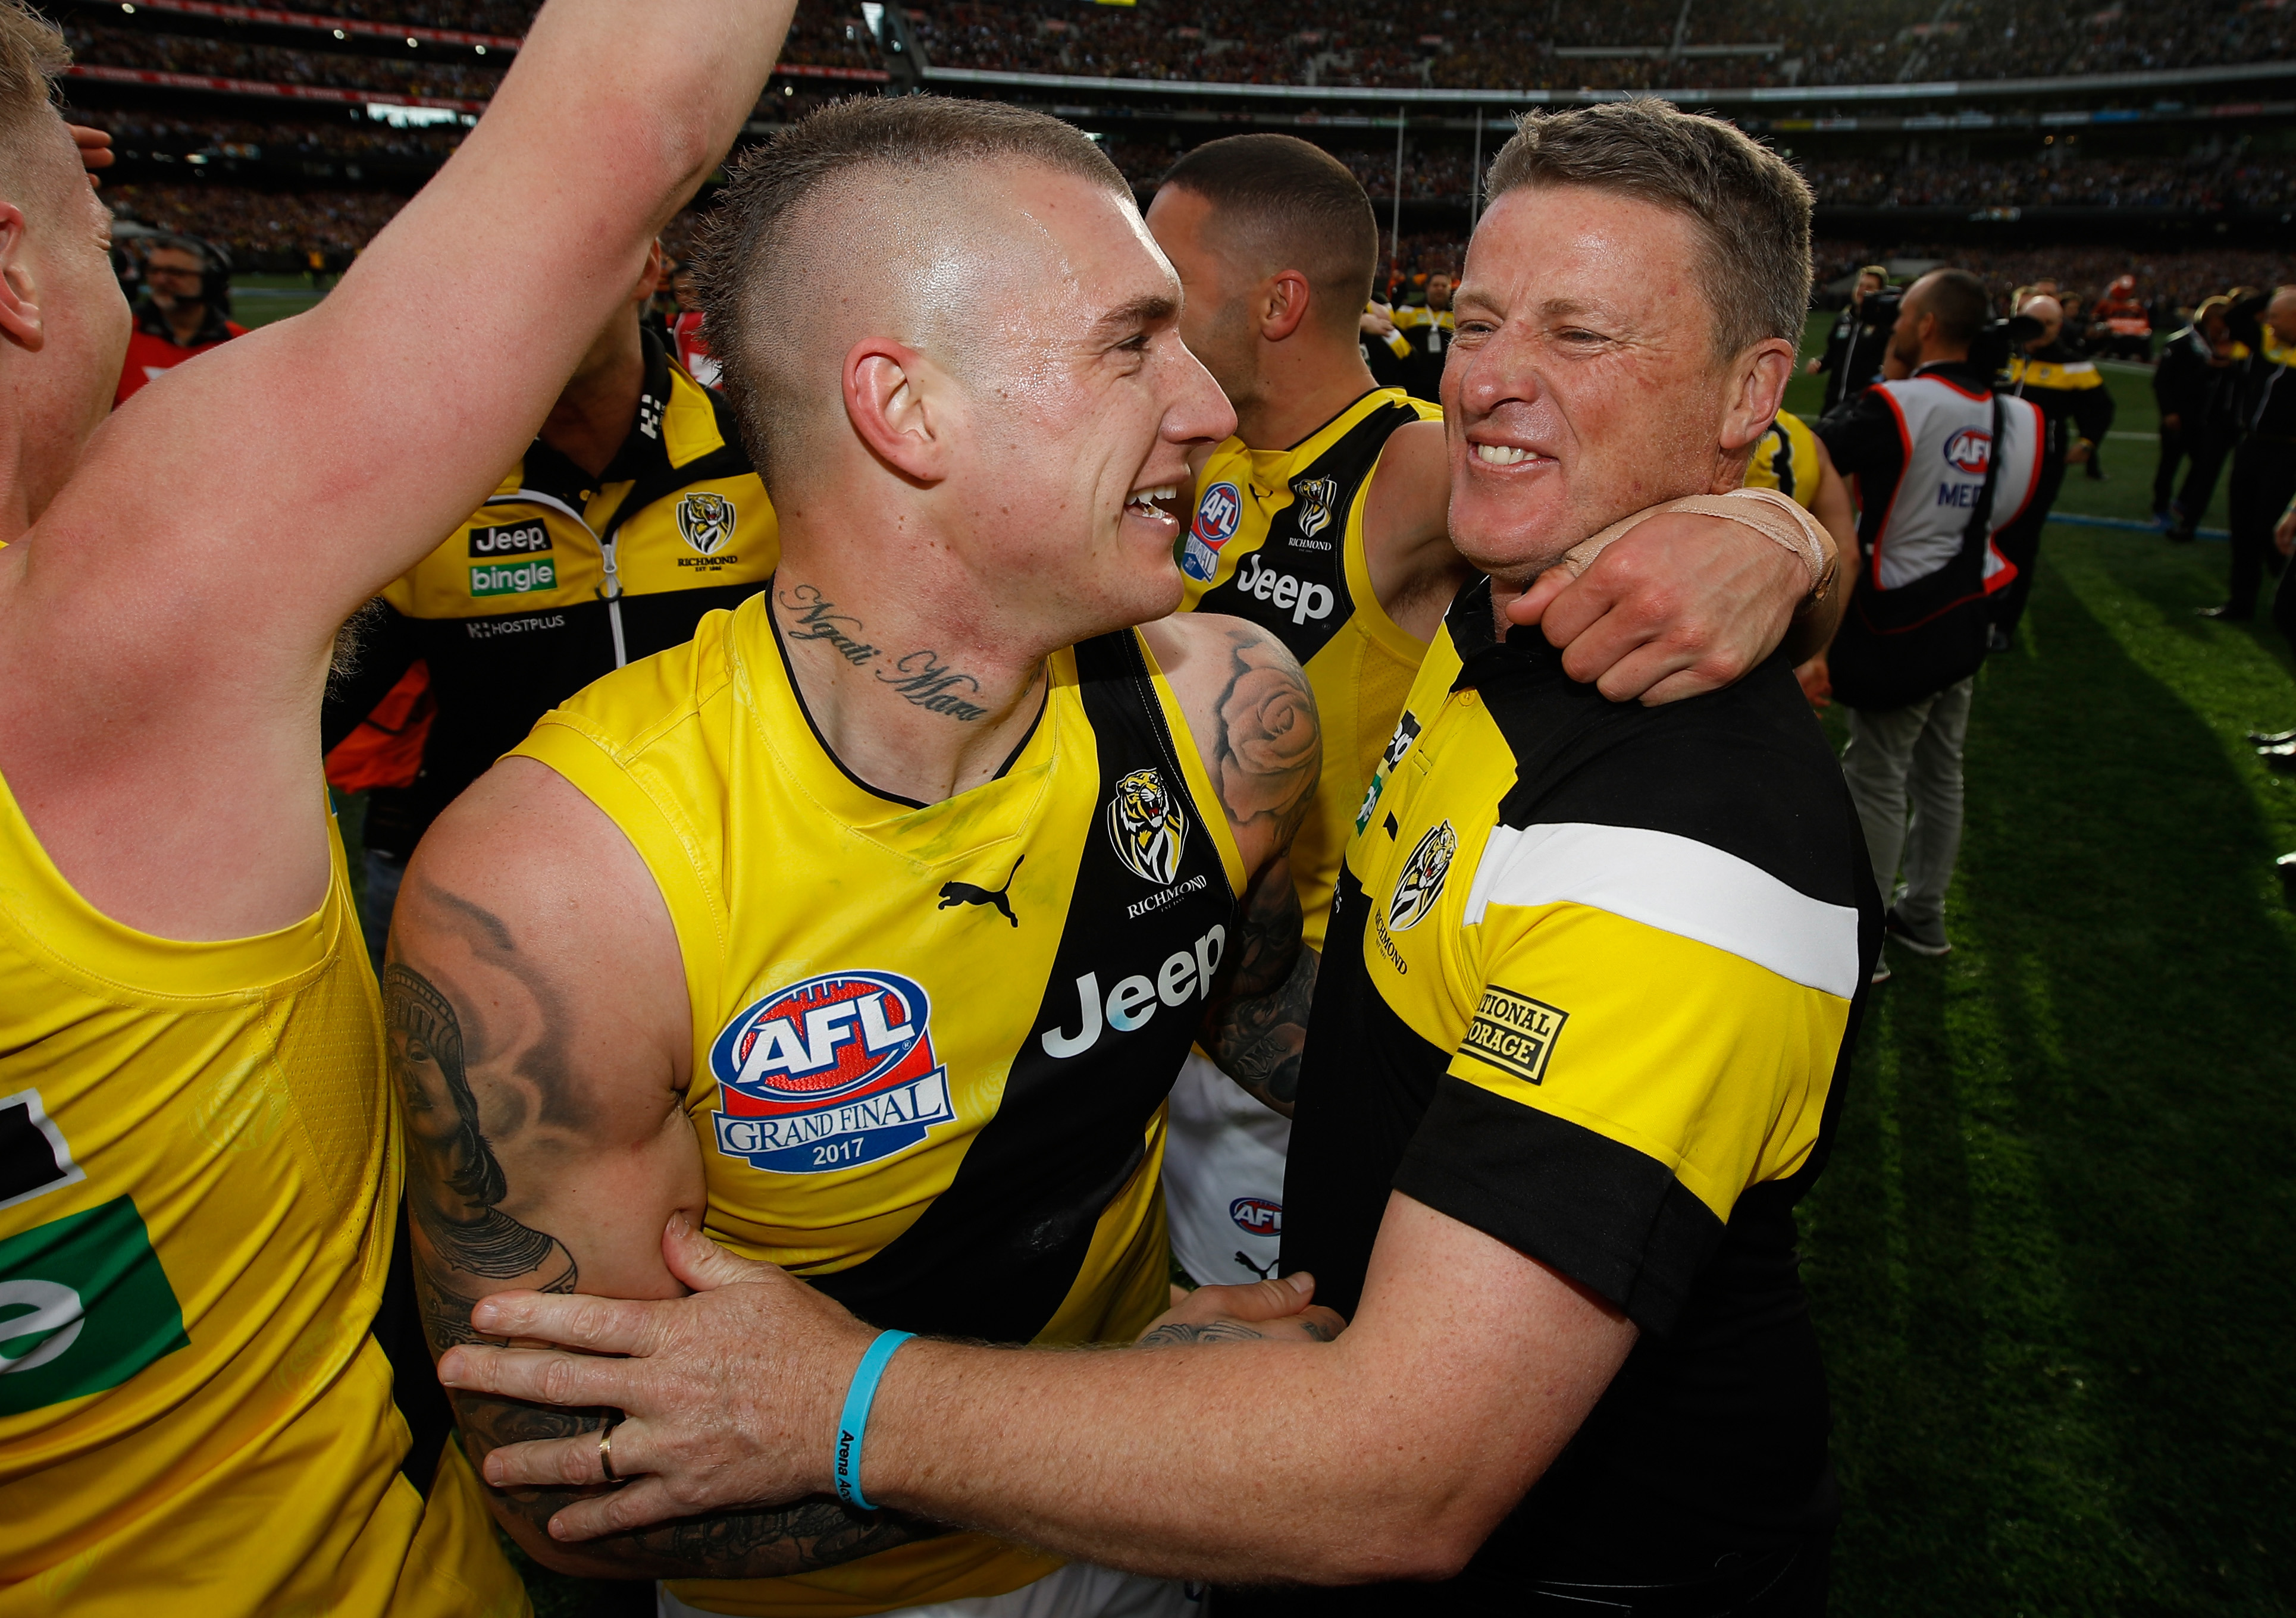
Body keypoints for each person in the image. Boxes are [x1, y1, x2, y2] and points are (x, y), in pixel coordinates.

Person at [435, 98, 1878, 1618]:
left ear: (1750, 392)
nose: (1207, 401)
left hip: (1263, 1500)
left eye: (1578, 334)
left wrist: (884, 1408)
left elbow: (1399, 1454)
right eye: (1133, 345)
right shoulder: (557, 889)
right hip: (1067, 1508)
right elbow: (582, 1479)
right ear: (906, 408)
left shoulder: (1231, 714)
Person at [0, 0, 796, 1610]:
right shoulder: (105, 622)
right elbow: (632, 120)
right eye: (99, 232)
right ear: (9, 272)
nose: (119, 265)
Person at [1142, 131, 1837, 1291]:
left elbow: (1717, 526)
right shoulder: (1182, 456)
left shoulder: (1414, 475)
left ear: (1277, 302)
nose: (1486, 376)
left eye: (1575, 331)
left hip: (1305, 1053)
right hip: (1207, 1011)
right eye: (1473, 326)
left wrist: (1778, 536)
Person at [322, 238, 774, 949]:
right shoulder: (424, 492)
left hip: (734, 889)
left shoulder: (763, 458)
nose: (531, 302)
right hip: (494, 913)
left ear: (648, 267)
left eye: (561, 261)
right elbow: (291, 722)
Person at [1815, 269, 2044, 979]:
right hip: (1965, 609)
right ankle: (1925, 912)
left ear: (1924, 326)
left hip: (1900, 615)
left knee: (1877, 775)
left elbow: (1810, 452)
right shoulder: (2017, 413)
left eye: (1905, 312)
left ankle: (1867, 942)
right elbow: (2007, 512)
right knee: (1942, 771)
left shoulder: (1900, 403)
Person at [1993, 293, 2112, 649]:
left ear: (2060, 326)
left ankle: (2004, 624)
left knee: (2020, 543)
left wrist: (2088, 442)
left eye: (2048, 324)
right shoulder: (2001, 354)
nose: (2040, 330)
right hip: (1988, 463)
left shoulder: (2073, 365)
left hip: (2040, 468)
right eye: (2033, 321)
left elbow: (2102, 407)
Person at [2204, 286, 2296, 622]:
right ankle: (2240, 602)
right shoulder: (2267, 343)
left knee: (2269, 528)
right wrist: (2277, 292)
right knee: (2242, 526)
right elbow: (2235, 316)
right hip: (2253, 446)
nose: (2268, 322)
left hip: (2289, 452)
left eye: (2276, 316)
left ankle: (2285, 598)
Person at [112, 231, 245, 405]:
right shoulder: (119, 339)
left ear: (211, 280)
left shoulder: (240, 344)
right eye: (154, 270)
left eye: (175, 272)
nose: (160, 280)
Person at [2150, 296, 2240, 541]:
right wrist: (2169, 412)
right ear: (2211, 319)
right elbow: (2162, 382)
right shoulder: (2180, 343)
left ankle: (2183, 501)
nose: (2225, 328)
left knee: (2201, 465)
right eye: (2223, 321)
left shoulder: (2221, 345)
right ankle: (2159, 506)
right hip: (2178, 416)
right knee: (2169, 464)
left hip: (2205, 419)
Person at [1805, 262, 1888, 412]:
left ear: (1880, 293)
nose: (1863, 290)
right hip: (1833, 404)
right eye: (1860, 285)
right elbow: (1833, 354)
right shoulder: (1844, 319)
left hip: (1863, 407)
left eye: (1870, 287)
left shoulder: (1884, 326)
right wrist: (1820, 363)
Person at [1390, 268, 1452, 403]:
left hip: (1445, 382)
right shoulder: (1408, 311)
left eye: (1444, 286)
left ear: (1450, 289)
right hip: (1413, 380)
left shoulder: (1458, 316)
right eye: (1436, 285)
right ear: (1427, 287)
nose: (1440, 289)